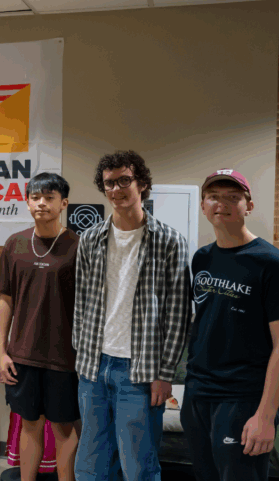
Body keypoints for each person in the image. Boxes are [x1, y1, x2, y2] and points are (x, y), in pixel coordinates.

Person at [73, 151, 191, 481]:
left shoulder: (169, 241)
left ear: (141, 184)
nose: (116, 189)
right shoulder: (90, 239)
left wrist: (164, 373)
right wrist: (82, 357)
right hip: (93, 368)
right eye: (109, 183)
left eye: (125, 180)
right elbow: (80, 304)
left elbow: (178, 315)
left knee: (138, 466)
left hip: (139, 372)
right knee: (91, 464)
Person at [181, 170, 279, 481]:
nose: (221, 204)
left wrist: (264, 415)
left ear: (248, 205)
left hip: (242, 397)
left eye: (233, 198)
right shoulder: (202, 259)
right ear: (204, 206)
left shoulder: (273, 264)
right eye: (213, 197)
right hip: (198, 393)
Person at [0, 172, 81, 481]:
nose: (41, 203)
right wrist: (1, 352)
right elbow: (5, 301)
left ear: (63, 203)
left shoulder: (78, 246)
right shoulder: (14, 244)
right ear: (27, 201)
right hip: (23, 356)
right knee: (29, 424)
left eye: (49, 197)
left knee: (63, 428)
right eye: (35, 197)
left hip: (64, 358)